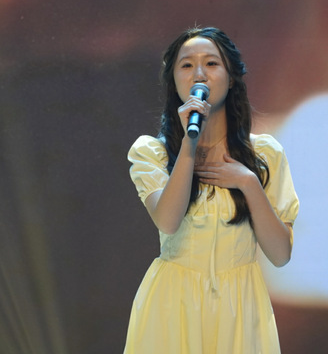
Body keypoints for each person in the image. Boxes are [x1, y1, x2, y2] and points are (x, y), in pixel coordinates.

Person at [124, 26, 299, 354]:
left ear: (231, 78)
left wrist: (248, 182)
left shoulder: (265, 154)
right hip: (172, 305)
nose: (199, 74)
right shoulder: (152, 153)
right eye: (187, 65)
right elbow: (167, 221)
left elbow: (280, 254)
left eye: (211, 63)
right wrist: (189, 143)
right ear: (174, 81)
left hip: (240, 308)